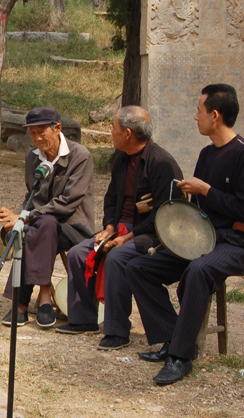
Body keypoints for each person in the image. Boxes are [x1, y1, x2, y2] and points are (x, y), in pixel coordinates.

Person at [128, 84, 244, 385]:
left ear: (215, 115)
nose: (195, 117)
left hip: (235, 242)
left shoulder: (242, 154)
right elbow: (201, 208)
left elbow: (240, 208)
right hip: (203, 239)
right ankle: (170, 338)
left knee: (198, 270)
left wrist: (206, 190)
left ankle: (182, 358)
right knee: (139, 267)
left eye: (199, 110)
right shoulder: (206, 154)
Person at [55, 107, 183, 352]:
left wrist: (129, 237)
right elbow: (112, 199)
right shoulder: (122, 159)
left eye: (113, 128)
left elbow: (165, 214)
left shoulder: (162, 163)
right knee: (79, 253)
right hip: (121, 228)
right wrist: (110, 227)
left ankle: (116, 330)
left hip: (150, 234)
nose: (110, 133)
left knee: (116, 257)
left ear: (127, 133)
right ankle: (83, 320)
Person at [0, 107, 95, 328]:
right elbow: (32, 195)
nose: (38, 138)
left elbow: (68, 203)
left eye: (42, 132)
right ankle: (44, 298)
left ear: (58, 128)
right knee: (41, 227)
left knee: (38, 228)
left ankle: (21, 304)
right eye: (33, 133)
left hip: (74, 226)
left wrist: (25, 216)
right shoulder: (32, 156)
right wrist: (18, 215)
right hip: (43, 224)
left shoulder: (81, 156)